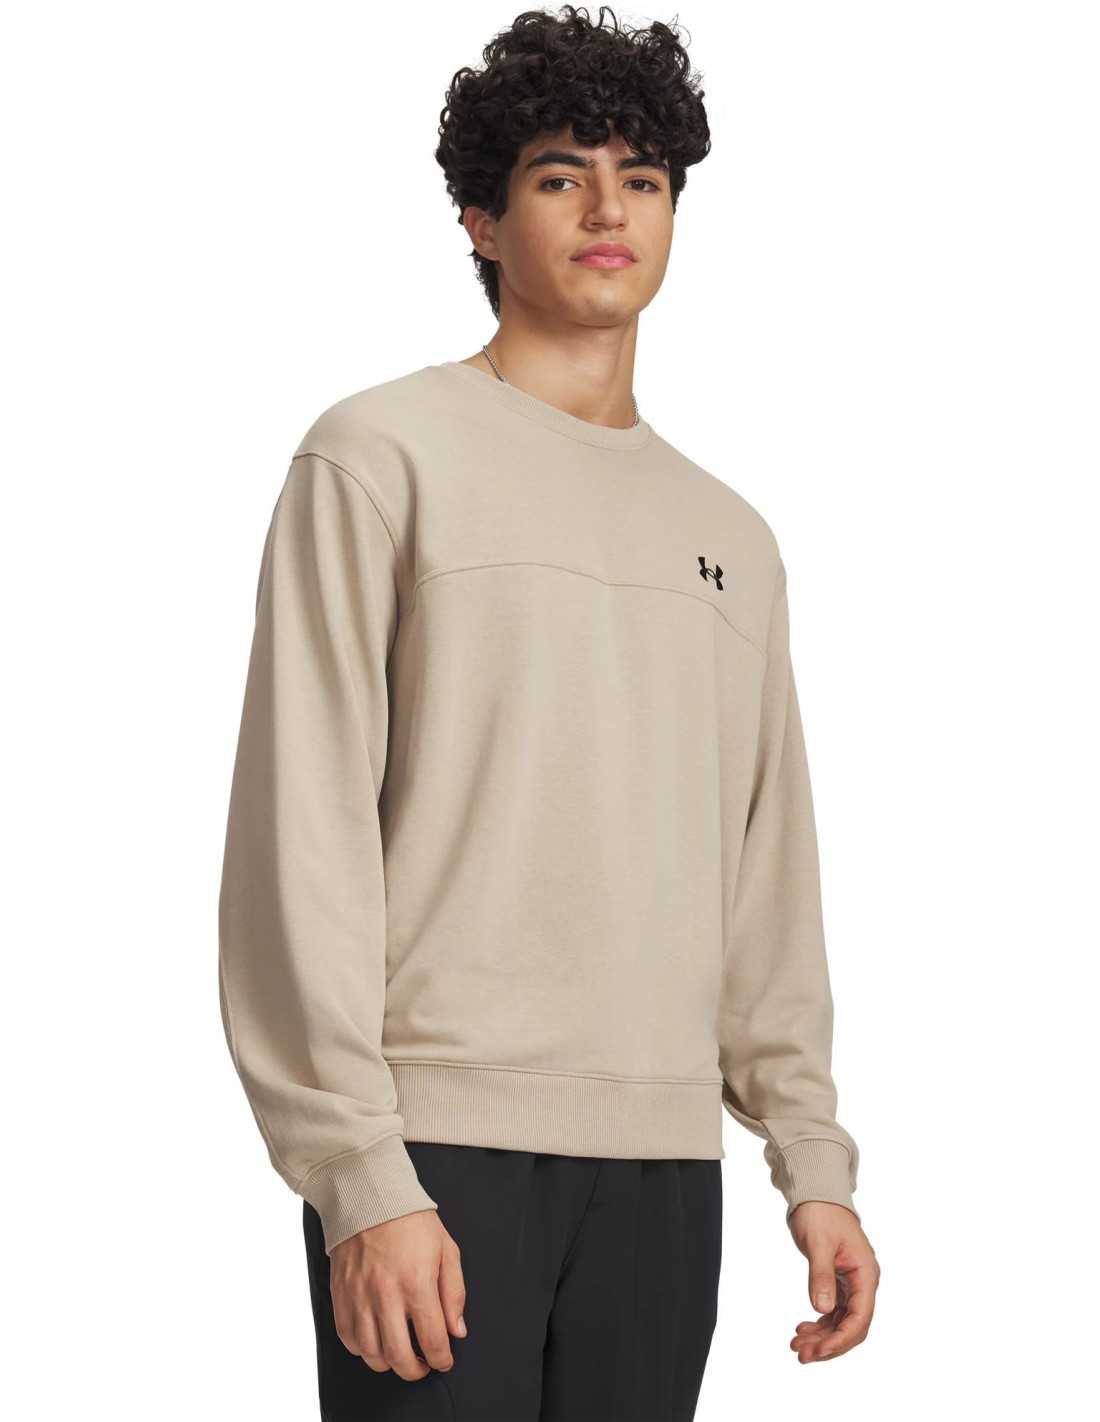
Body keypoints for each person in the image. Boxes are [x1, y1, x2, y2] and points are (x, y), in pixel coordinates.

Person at [217, 5, 880, 1417]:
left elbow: (768, 870)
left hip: (664, 1168)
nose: (607, 209)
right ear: (481, 217)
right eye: (560, 174)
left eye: (642, 178)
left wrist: (811, 1161)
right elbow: (303, 832)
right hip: (435, 1155)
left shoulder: (732, 536)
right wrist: (359, 1174)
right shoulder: (378, 457)